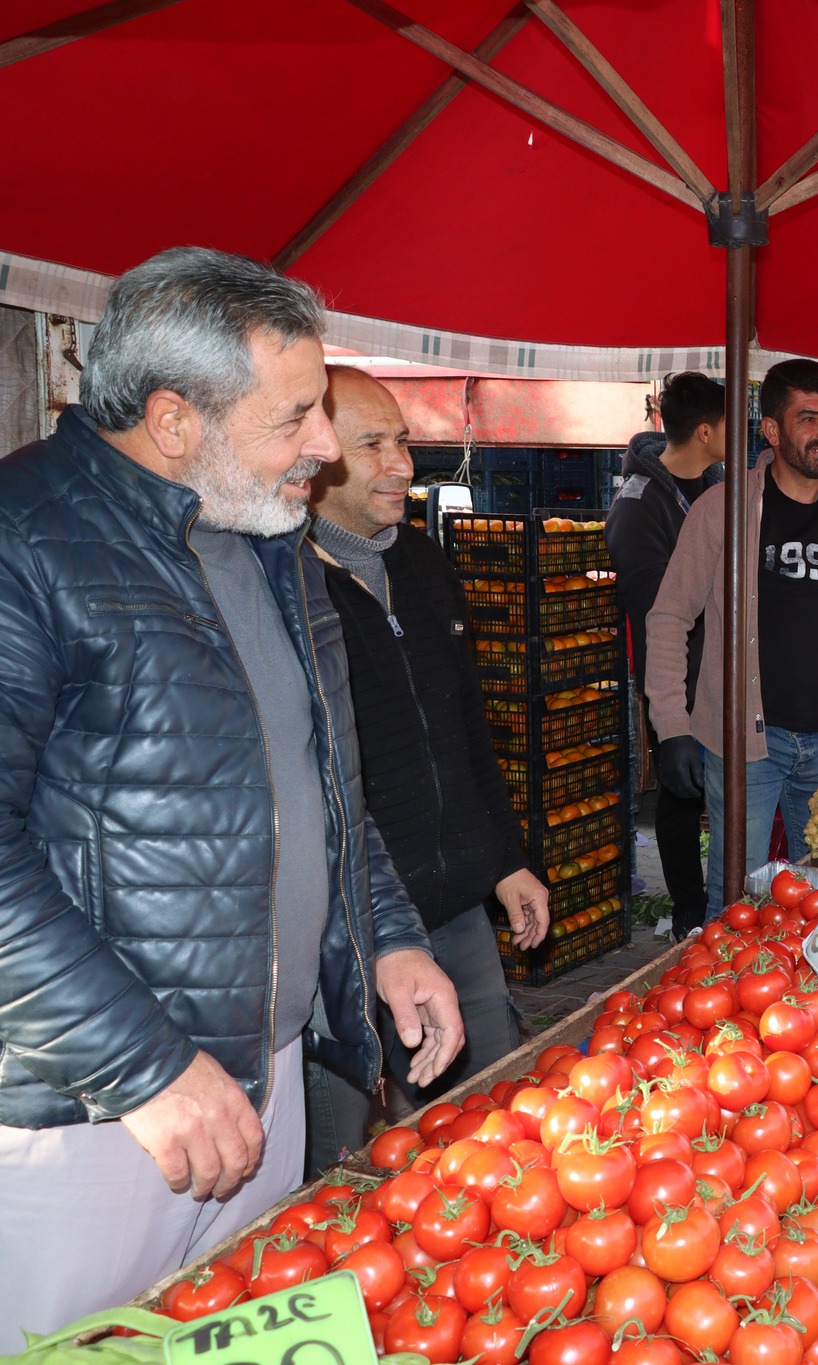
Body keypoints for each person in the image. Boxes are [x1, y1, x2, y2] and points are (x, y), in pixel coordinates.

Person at [0, 248, 461, 1339]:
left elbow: (323, 784)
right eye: (295, 415)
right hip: (94, 1113)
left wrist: (388, 938)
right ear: (174, 420)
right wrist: (145, 1066)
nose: (323, 444)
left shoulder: (270, 540)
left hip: (264, 1073)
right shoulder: (23, 540)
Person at [299, 367, 545, 1173]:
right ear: (317, 452)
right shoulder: (288, 585)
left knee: (496, 1126)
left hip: (456, 912)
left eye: (402, 440)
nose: (402, 464)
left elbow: (468, 728)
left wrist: (504, 859)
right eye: (373, 444)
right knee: (345, 1168)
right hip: (347, 934)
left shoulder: (425, 563)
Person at [644, 359, 818, 902]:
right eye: (808, 418)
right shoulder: (724, 510)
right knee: (738, 901)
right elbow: (669, 617)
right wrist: (672, 727)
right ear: (772, 430)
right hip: (747, 745)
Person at [606, 372, 725, 935]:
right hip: (675, 679)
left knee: (724, 791)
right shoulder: (638, 504)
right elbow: (656, 608)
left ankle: (725, 901)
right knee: (681, 797)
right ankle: (689, 914)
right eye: (729, 424)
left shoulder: (718, 487)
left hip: (724, 674)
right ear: (705, 431)